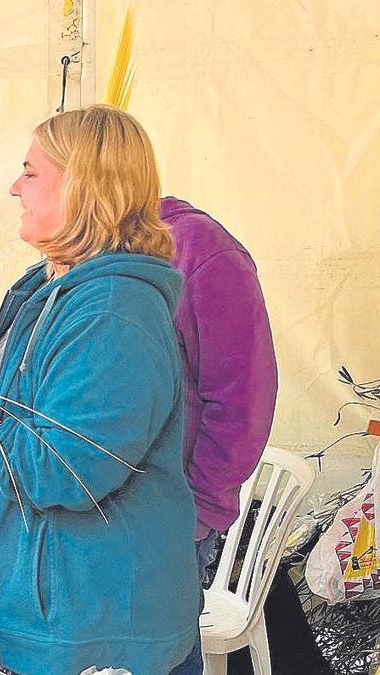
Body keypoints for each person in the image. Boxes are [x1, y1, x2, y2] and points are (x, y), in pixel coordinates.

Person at [0, 104, 198, 673]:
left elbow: (67, 468)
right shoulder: (52, 286)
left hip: (97, 633)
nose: (13, 187)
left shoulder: (114, 313)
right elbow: (32, 404)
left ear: (84, 186)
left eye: (30, 172)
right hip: (55, 612)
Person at [163, 196, 278, 674]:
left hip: (168, 523)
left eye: (32, 172)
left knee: (165, 659)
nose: (16, 189)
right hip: (112, 525)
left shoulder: (199, 249)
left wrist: (199, 510)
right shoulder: (95, 255)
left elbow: (243, 399)